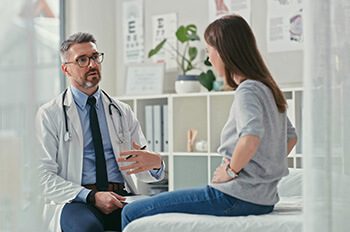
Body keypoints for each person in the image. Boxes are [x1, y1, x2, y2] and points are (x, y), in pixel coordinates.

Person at [121, 14, 298, 230]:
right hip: (264, 200)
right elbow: (290, 137)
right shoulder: (267, 88)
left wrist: (231, 171)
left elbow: (250, 137)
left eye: (209, 51)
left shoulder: (248, 91)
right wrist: (264, 169)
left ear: (224, 52)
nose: (208, 59)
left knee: (131, 212)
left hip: (236, 196)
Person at [36, 32, 165, 232]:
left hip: (121, 196)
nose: (92, 64)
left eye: (95, 57)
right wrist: (91, 197)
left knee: (156, 223)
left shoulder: (122, 111)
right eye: (82, 60)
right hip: (76, 200)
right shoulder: (50, 114)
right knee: (87, 228)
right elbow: (42, 177)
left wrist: (156, 165)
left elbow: (142, 167)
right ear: (66, 69)